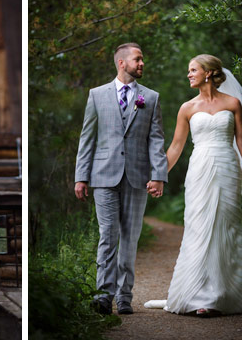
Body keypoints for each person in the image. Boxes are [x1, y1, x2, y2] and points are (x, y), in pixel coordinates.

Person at [144, 55, 242, 316]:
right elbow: (176, 147)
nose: (188, 75)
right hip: (200, 169)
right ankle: (200, 295)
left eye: (193, 70)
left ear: (209, 73)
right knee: (199, 225)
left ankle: (230, 293)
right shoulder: (187, 108)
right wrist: (159, 176)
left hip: (227, 167)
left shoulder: (233, 103)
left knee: (227, 225)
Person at [74, 42, 168, 315]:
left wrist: (158, 175)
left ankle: (125, 297)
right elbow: (87, 138)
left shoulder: (150, 97)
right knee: (108, 235)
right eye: (138, 59)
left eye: (143, 60)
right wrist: (81, 176)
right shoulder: (97, 95)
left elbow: (156, 139)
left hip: (138, 177)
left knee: (130, 238)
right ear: (121, 63)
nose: (142, 64)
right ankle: (103, 295)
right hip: (103, 176)